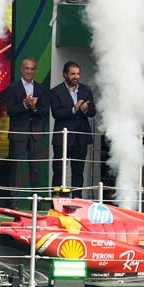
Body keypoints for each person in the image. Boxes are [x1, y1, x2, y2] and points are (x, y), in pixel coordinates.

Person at [4, 58, 49, 208]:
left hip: (35, 134)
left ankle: (36, 204)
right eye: (27, 68)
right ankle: (13, 203)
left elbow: (44, 111)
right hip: (18, 134)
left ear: (35, 70)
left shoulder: (41, 88)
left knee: (35, 169)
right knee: (15, 169)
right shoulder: (13, 88)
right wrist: (25, 104)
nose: (29, 71)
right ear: (21, 69)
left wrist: (34, 108)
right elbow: (11, 111)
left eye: (32, 69)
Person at [50, 61, 96, 198]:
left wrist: (86, 109)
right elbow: (56, 113)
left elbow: (93, 111)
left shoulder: (86, 90)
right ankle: (56, 200)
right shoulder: (55, 91)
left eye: (78, 74)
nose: (76, 77)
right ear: (65, 75)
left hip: (81, 137)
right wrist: (73, 109)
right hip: (62, 139)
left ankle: (77, 200)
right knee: (59, 170)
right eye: (72, 74)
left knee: (78, 171)